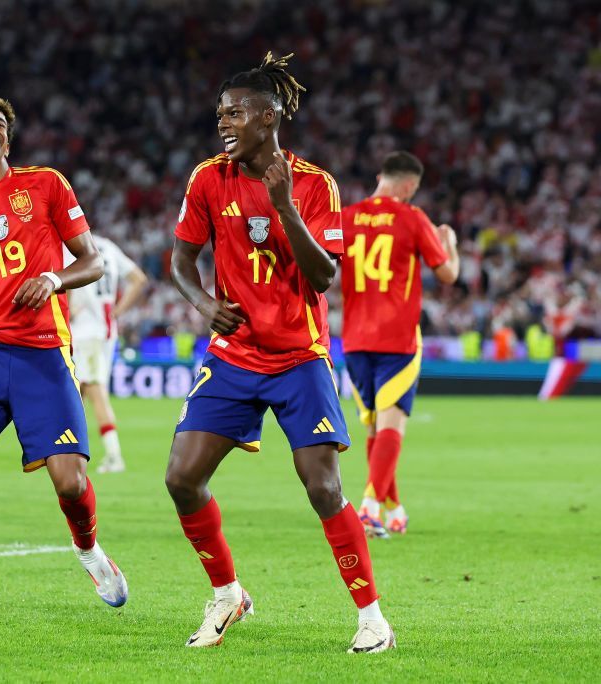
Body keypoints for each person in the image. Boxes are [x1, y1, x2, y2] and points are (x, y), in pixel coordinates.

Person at [164, 52, 394, 652]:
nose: (224, 122)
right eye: (220, 113)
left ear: (268, 117)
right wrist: (201, 303)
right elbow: (181, 261)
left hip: (298, 356)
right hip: (233, 354)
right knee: (182, 478)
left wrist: (285, 205)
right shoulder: (208, 177)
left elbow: (323, 277)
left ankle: (372, 617)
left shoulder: (316, 184)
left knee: (322, 488)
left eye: (235, 112)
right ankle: (227, 594)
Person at [0, 94, 127, 641]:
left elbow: (93, 261)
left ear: (7, 142)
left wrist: (56, 279)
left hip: (43, 350)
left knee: (70, 482)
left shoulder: (46, 185)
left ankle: (87, 547)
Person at [340, 151, 459, 537]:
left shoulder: (346, 218)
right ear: (410, 185)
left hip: (355, 339)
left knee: (375, 429)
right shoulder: (412, 218)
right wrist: (450, 243)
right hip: (399, 338)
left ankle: (393, 507)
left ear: (381, 176)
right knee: (392, 427)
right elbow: (447, 274)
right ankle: (369, 508)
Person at [66, 235, 148, 472]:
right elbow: (139, 280)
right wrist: (117, 312)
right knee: (76, 393)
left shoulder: (71, 248)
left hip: (86, 331)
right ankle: (68, 452)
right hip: (105, 330)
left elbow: (67, 283)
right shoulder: (108, 247)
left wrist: (68, 310)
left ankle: (114, 456)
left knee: (95, 391)